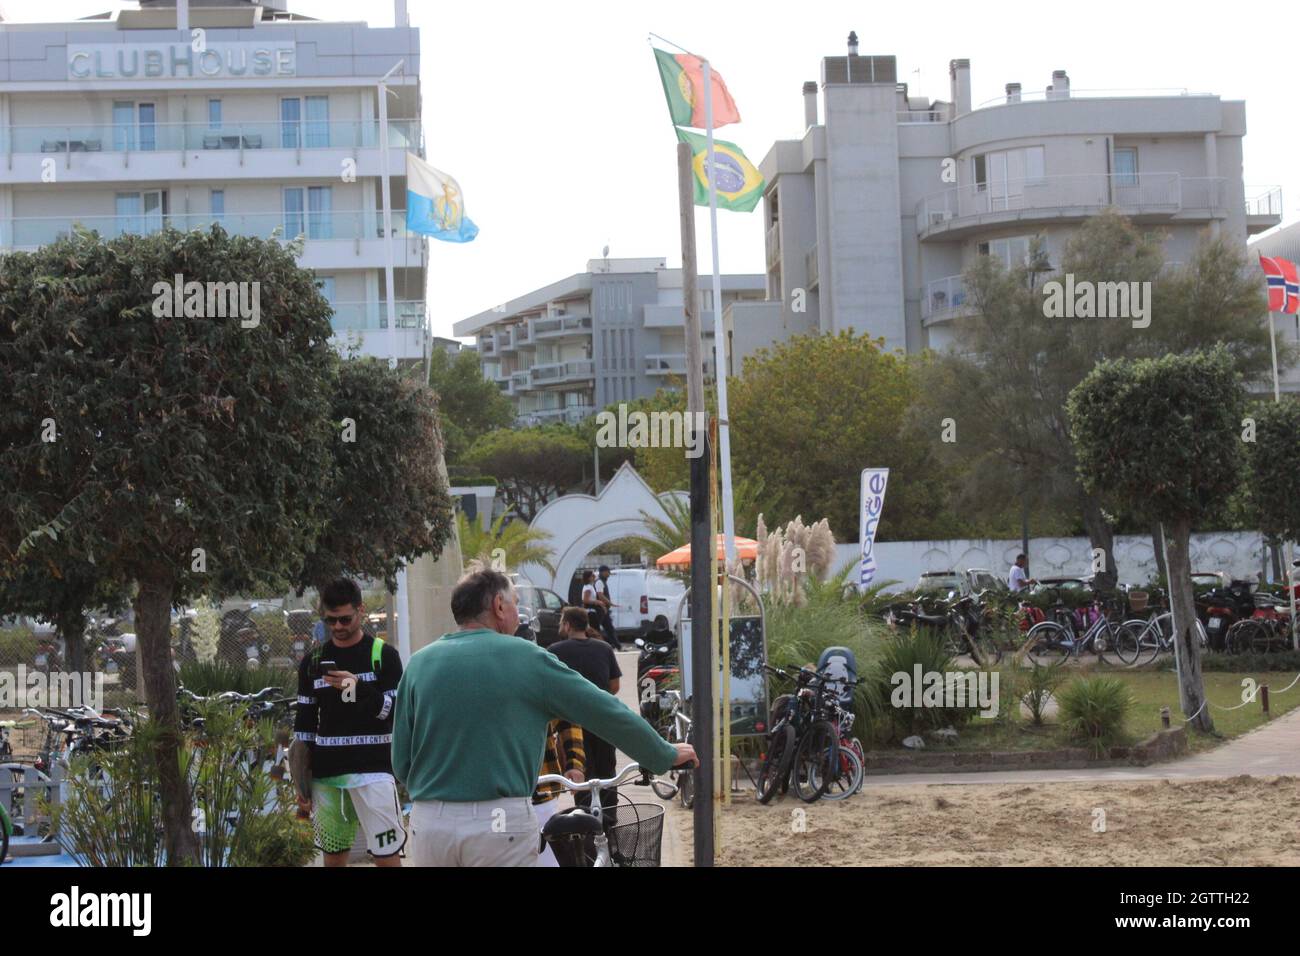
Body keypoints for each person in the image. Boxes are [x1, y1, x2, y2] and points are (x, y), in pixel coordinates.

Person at [392, 567, 696, 867]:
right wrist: (662, 753)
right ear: (499, 606)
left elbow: (401, 762)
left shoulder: (419, 664)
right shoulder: (528, 658)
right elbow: (605, 711)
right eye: (514, 603)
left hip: (430, 823)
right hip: (499, 824)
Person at [294, 578, 405, 868]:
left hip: (374, 773)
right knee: (333, 857)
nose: (338, 627)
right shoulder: (313, 661)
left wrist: (355, 687)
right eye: (330, 620)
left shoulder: (383, 656)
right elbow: (305, 727)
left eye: (345, 619)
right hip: (328, 776)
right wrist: (300, 782)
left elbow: (393, 714)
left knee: (386, 854)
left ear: (361, 611)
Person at [548, 606, 621, 815]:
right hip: (604, 721)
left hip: (572, 723)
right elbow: (614, 686)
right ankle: (609, 821)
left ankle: (585, 821)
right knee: (607, 773)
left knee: (580, 773)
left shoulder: (555, 651)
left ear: (568, 625)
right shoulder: (604, 648)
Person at [532, 720, 584, 867]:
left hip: (541, 790)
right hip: (494, 796)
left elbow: (567, 715)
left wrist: (575, 763)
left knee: (550, 860)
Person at [594, 565, 620, 648]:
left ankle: (616, 646)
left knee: (609, 628)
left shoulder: (603, 582)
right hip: (600, 609)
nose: (608, 574)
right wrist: (610, 603)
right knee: (597, 628)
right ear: (603, 572)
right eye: (607, 572)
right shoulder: (599, 582)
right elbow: (600, 595)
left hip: (604, 609)